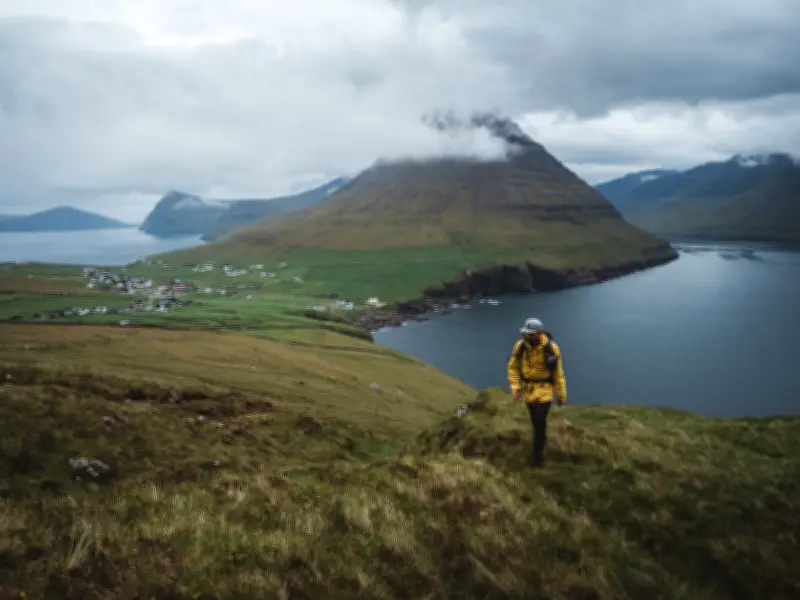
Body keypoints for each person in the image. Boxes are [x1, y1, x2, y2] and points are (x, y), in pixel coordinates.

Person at [506, 317, 567, 467]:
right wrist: (516, 388)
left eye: (531, 334)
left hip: (545, 390)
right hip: (528, 390)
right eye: (526, 333)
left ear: (540, 333)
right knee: (535, 421)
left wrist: (561, 395)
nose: (527, 336)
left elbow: (558, 374)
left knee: (540, 421)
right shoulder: (520, 346)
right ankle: (541, 442)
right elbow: (513, 368)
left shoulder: (551, 348)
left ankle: (537, 458)